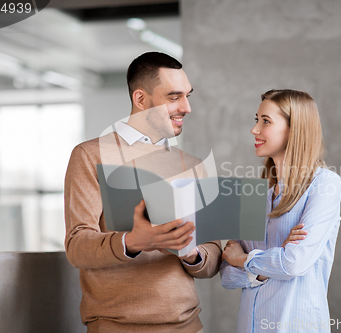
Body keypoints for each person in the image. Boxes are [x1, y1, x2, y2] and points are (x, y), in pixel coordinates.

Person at [64, 52, 222, 333]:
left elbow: (211, 260)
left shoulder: (192, 165)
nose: (186, 107)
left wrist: (190, 252)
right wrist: (133, 242)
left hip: (188, 327)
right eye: (174, 97)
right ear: (140, 100)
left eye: (188, 95)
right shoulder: (90, 155)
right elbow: (77, 247)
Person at [220, 89, 341, 333]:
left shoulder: (324, 184)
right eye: (257, 120)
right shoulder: (254, 196)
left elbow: (294, 263)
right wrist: (263, 268)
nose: (255, 130)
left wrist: (243, 260)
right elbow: (226, 275)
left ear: (294, 129)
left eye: (265, 121)